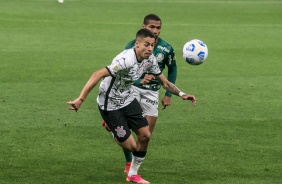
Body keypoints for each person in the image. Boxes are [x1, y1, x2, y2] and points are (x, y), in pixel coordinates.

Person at [68, 28, 196, 184]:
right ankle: (114, 128)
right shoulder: (126, 60)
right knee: (131, 146)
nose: (149, 48)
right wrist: (81, 99)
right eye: (146, 44)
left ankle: (133, 174)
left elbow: (164, 82)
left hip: (128, 98)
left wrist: (182, 94)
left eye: (152, 45)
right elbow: (98, 74)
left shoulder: (150, 59)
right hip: (110, 103)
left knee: (145, 135)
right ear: (137, 44)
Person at [102, 14, 179, 174]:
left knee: (145, 135)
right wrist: (140, 81)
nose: (155, 31)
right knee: (127, 133)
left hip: (152, 93)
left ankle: (133, 167)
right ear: (143, 27)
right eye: (152, 27)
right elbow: (125, 76)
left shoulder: (166, 48)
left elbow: (172, 70)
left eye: (158, 28)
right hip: (132, 90)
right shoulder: (131, 48)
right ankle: (129, 163)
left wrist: (168, 95)